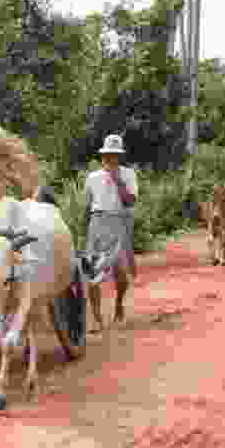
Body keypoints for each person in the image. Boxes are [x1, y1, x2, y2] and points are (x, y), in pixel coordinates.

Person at [85, 134, 138, 332]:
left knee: (121, 274)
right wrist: (88, 229)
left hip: (119, 222)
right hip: (97, 222)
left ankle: (118, 304)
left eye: (114, 155)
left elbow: (130, 202)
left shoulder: (128, 175)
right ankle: (96, 317)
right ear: (102, 156)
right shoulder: (92, 178)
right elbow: (88, 206)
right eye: (107, 155)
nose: (110, 159)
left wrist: (117, 180)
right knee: (93, 273)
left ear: (120, 156)